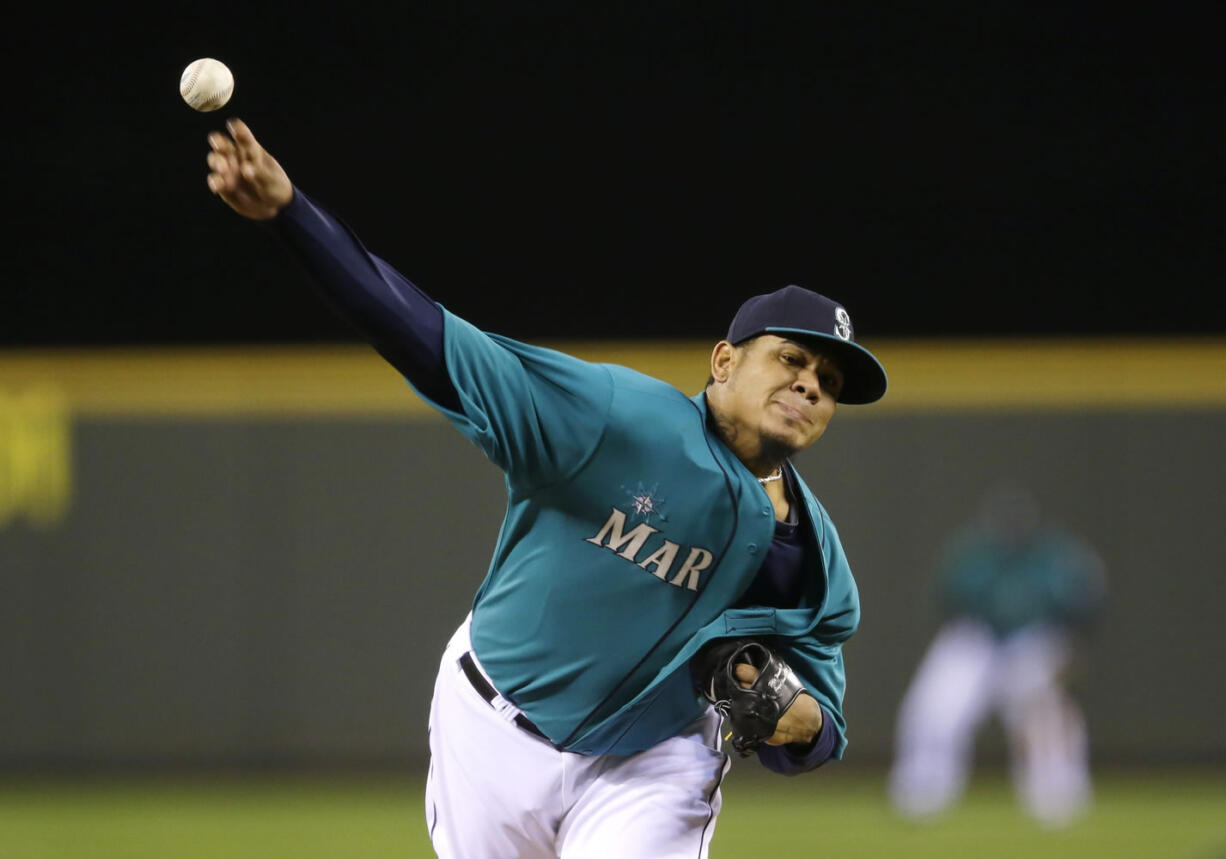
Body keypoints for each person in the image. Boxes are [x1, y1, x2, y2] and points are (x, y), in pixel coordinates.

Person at [204, 118, 889, 858]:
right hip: (490, 725)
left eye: (829, 382)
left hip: (652, 760)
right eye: (791, 358)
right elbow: (427, 338)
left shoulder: (812, 561)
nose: (809, 385)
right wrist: (290, 213)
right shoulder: (616, 420)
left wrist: (803, 725)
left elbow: (822, 724)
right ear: (724, 360)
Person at [888, 483, 1107, 828]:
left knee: (1045, 713)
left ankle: (1057, 794)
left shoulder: (1057, 558)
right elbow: (948, 601)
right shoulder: (973, 555)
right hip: (977, 639)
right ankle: (922, 791)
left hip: (1032, 641)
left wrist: (1067, 650)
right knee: (935, 707)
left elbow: (1083, 609)